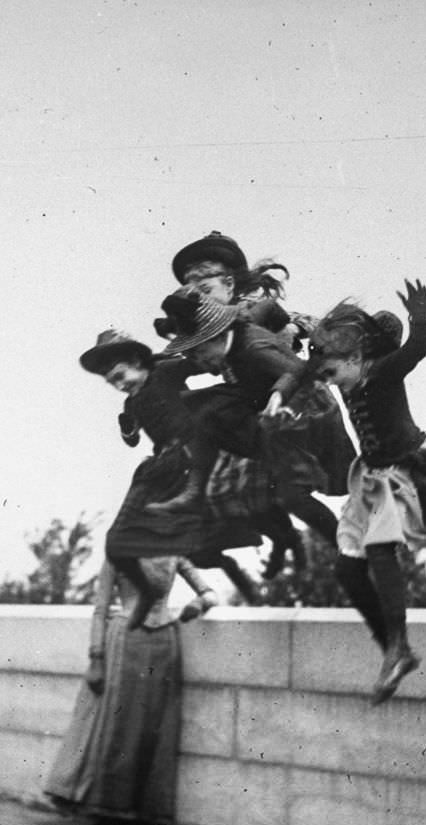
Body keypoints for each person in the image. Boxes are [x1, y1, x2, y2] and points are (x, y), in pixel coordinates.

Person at [309, 279, 426, 703]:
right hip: (371, 475)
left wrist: (419, 319)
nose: (331, 384)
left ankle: (399, 642)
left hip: (406, 468)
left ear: (355, 358)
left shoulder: (382, 372)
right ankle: (393, 647)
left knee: (380, 548)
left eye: (333, 374)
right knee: (347, 568)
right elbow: (306, 368)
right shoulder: (343, 372)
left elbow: (417, 349)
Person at [164, 231, 356, 574]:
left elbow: (282, 323)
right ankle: (282, 540)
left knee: (288, 492)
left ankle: (340, 548)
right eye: (193, 293)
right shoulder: (203, 325)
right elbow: (196, 358)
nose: (200, 297)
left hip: (293, 401)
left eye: (205, 289)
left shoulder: (248, 314)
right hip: (257, 402)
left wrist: (291, 330)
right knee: (244, 488)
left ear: (229, 284)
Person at [78, 329, 261, 610]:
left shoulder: (164, 372)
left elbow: (204, 363)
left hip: (195, 453)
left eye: (120, 376)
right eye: (112, 382)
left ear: (137, 362)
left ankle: (221, 581)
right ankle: (220, 571)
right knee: (163, 539)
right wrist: (127, 428)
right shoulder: (131, 402)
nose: (120, 385)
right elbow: (132, 440)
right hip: (165, 463)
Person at [148, 290, 342, 553]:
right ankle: (199, 486)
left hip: (305, 406)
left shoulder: (253, 348)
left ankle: (345, 547)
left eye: (200, 351)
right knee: (202, 408)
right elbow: (269, 306)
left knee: (291, 495)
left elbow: (300, 371)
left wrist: (279, 393)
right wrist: (283, 328)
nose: (199, 360)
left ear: (218, 336)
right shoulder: (242, 323)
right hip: (263, 399)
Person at [44, 555, 216, 825]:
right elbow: (100, 610)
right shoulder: (119, 550)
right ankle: (107, 816)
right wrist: (96, 657)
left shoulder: (175, 551)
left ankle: (143, 815)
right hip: (126, 640)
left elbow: (209, 593)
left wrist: (199, 604)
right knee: (119, 726)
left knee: (154, 729)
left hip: (165, 643)